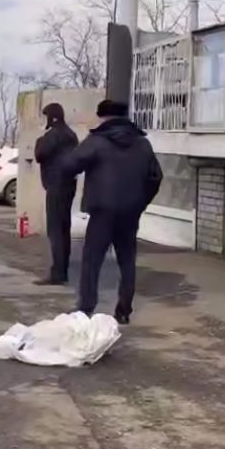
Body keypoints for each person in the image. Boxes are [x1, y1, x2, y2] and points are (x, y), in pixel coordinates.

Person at [65, 100, 162, 325]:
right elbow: (156, 178)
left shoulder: (97, 142)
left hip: (102, 212)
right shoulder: (143, 144)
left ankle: (86, 308)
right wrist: (140, 203)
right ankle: (124, 310)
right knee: (127, 261)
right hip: (130, 213)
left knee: (92, 261)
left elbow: (71, 164)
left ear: (103, 116)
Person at [34, 103, 80, 286]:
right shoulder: (71, 135)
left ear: (51, 118)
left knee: (55, 231)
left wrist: (40, 138)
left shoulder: (53, 135)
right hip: (69, 185)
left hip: (56, 185)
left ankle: (57, 273)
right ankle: (63, 269)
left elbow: (40, 154)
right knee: (63, 229)